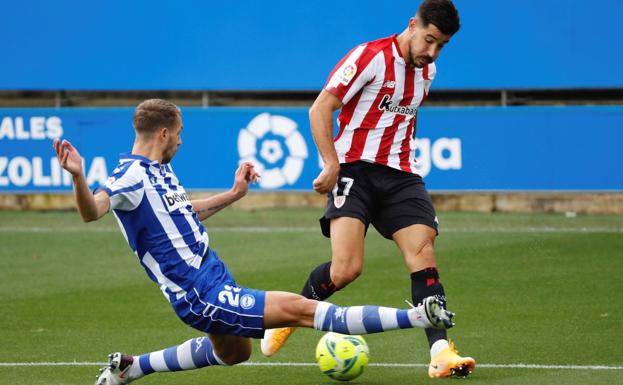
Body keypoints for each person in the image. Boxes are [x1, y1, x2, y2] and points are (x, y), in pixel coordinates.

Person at [52, 99, 455, 385]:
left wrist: (234, 193)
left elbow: (184, 213)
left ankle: (132, 368)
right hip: (197, 293)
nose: (180, 141)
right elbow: (92, 210)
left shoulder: (158, 171)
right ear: (163, 133)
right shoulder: (129, 177)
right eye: (179, 134)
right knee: (303, 310)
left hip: (214, 277)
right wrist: (77, 177)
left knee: (235, 353)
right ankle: (421, 316)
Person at [260, 0, 475, 379]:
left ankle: (441, 352)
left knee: (423, 254)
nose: (432, 52)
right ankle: (290, 315)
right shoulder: (369, 56)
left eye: (441, 45)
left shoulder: (428, 72)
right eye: (428, 40)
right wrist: (331, 163)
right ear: (412, 24)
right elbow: (320, 109)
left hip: (401, 175)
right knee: (345, 270)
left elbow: (401, 121)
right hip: (354, 171)